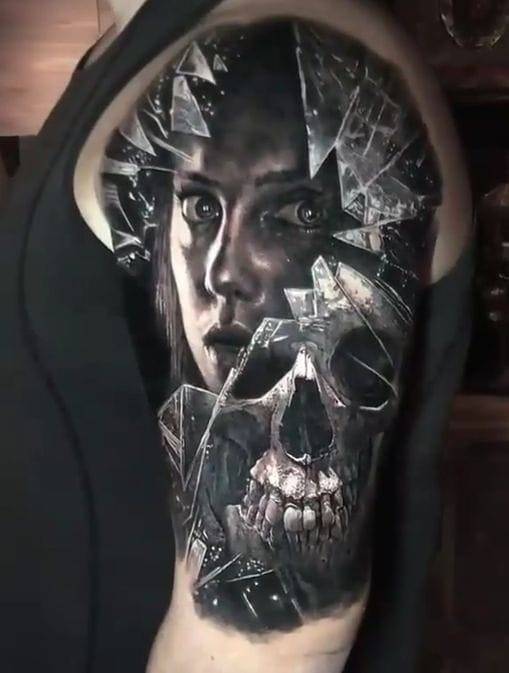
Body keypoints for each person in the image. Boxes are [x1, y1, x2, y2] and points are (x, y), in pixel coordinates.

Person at [1, 1, 472, 673]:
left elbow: (271, 653)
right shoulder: (127, 50)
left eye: (296, 212)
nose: (223, 272)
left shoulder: (284, 35)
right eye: (201, 208)